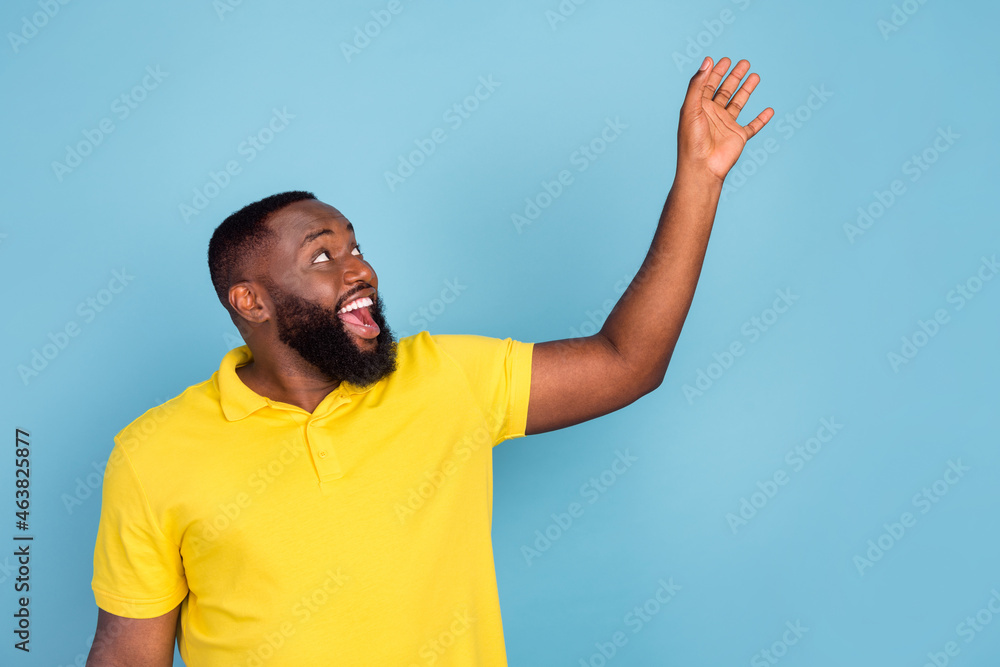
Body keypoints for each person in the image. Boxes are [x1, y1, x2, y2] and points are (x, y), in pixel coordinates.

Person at [86, 56, 773, 666]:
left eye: (356, 247)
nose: (359, 269)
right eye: (322, 256)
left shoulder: (446, 377)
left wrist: (699, 181)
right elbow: (128, 653)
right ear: (251, 300)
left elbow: (629, 361)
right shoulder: (153, 453)